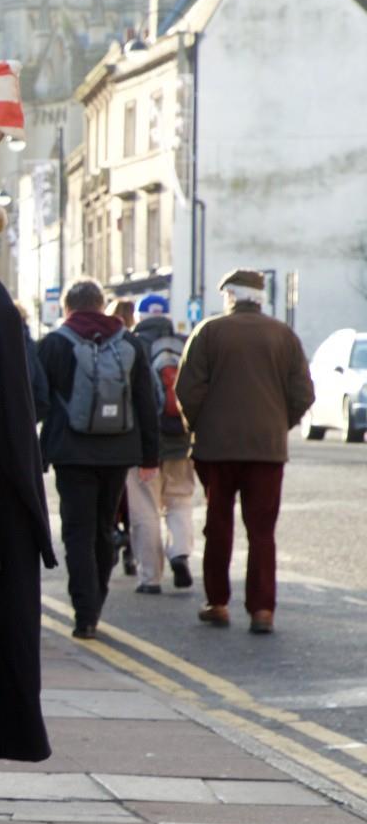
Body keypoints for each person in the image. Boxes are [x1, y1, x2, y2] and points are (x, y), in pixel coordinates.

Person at [176, 269, 315, 633]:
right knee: (262, 530)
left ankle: (218, 602)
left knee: (218, 525)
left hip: (216, 449)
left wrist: (200, 427)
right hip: (266, 451)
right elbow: (303, 394)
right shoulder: (284, 335)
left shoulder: (208, 332)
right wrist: (276, 424)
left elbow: (187, 389)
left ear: (231, 296)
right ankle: (262, 610)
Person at [32, 279, 160, 639]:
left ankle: (84, 611)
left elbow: (37, 402)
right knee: (105, 528)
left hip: (71, 454)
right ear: (102, 306)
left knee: (77, 531)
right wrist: (150, 456)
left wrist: (38, 455)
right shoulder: (128, 343)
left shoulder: (55, 344)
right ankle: (97, 599)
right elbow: (146, 402)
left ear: (68, 308)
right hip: (118, 452)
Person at [126, 294, 197, 594]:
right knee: (179, 500)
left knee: (145, 510)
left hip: (143, 443)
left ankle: (150, 577)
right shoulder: (185, 342)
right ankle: (179, 551)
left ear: (140, 317)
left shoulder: (130, 344)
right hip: (181, 439)